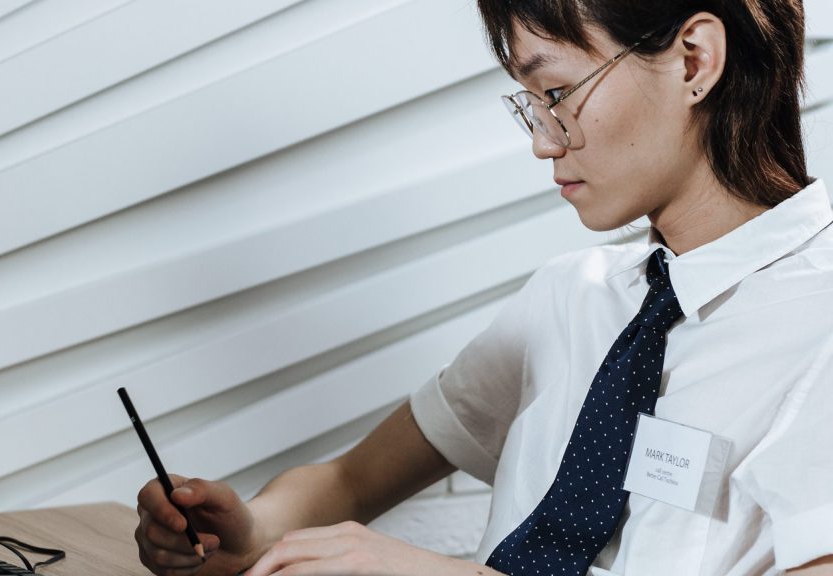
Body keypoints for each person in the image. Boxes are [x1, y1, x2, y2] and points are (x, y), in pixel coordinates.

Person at [134, 0, 833, 574]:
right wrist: (250, 532)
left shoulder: (818, 327)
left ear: (694, 61)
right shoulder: (569, 298)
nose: (542, 141)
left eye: (557, 92)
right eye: (530, 104)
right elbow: (349, 482)